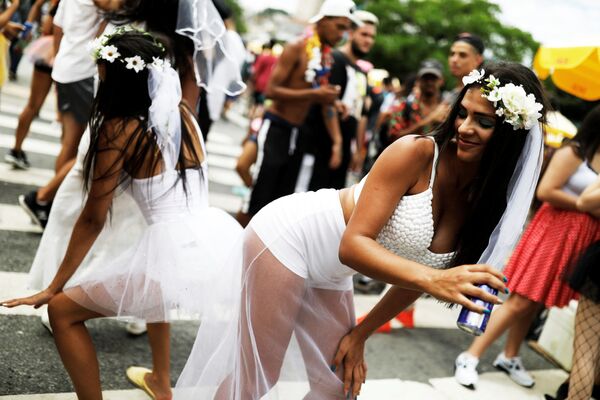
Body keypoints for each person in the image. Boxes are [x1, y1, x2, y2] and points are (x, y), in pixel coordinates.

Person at [175, 62, 547, 399]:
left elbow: (412, 279)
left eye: (484, 122)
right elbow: (353, 246)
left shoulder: (484, 200)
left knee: (339, 386)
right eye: (463, 113)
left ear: (512, 133)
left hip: (331, 274)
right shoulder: (416, 152)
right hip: (288, 238)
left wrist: (361, 332)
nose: (465, 128)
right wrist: (435, 280)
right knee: (257, 376)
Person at [2, 29, 241, 400]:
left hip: (173, 248)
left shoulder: (119, 130)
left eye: (100, 70)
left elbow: (93, 218)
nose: (97, 76)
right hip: (209, 240)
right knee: (154, 290)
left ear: (115, 77)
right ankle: (161, 381)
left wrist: (53, 287)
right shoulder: (182, 115)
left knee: (62, 313)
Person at [454, 104, 600, 390]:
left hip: (576, 240)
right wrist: (588, 210)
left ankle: (510, 356)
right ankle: (470, 355)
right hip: (553, 232)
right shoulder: (576, 151)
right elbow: (546, 190)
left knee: (534, 301)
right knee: (522, 299)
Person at [245, 0, 360, 218]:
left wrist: (334, 105)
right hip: (276, 127)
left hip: (298, 135)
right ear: (324, 21)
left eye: (346, 29)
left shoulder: (324, 56)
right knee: (260, 195)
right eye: (340, 27)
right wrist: (315, 95)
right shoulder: (297, 47)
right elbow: (271, 91)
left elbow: (320, 96)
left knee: (282, 200)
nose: (343, 34)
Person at [306, 9, 378, 191]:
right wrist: (337, 143)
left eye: (372, 36)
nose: (368, 40)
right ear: (350, 33)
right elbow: (327, 103)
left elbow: (361, 114)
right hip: (323, 147)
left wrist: (359, 149)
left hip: (344, 150)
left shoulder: (362, 72)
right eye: (364, 34)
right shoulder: (335, 59)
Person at [4, 0, 58, 170]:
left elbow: (37, 7)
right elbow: (48, 24)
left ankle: (16, 149)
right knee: (66, 114)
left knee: (33, 105)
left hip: (49, 50)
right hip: (59, 52)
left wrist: (28, 26)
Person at [386, 59, 445, 141]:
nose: (429, 82)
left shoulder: (447, 108)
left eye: (433, 78)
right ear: (418, 80)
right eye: (425, 78)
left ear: (442, 81)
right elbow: (393, 138)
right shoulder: (403, 105)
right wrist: (429, 120)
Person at [446, 32, 485, 104]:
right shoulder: (451, 93)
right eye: (452, 54)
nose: (454, 60)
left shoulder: (483, 95)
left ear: (478, 60)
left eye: (462, 55)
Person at [248, 39, 277, 120]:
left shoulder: (264, 57)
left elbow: (256, 70)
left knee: (255, 102)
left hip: (259, 83)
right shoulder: (275, 59)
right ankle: (256, 120)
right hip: (268, 84)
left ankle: (251, 118)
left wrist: (252, 81)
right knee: (261, 104)